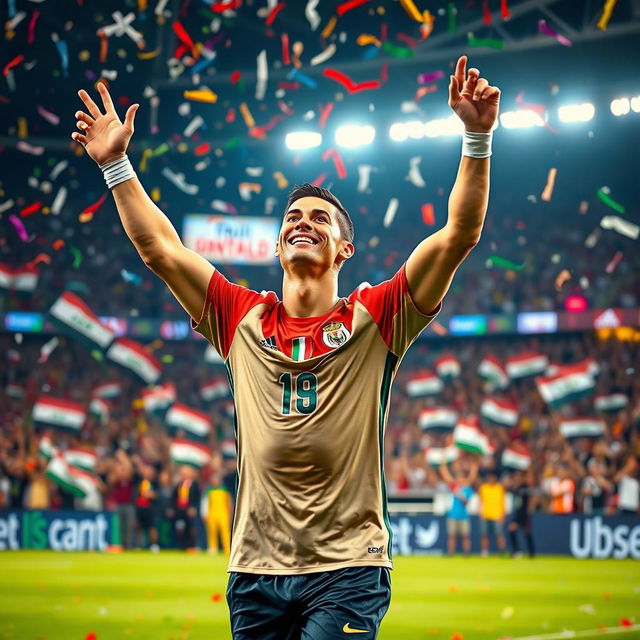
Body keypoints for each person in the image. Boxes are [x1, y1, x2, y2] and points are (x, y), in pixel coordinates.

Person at [70, 54, 500, 639]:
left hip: (348, 567)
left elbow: (459, 236)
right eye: (293, 217)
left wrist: (477, 138)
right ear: (277, 246)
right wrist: (117, 164)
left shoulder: (378, 316)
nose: (303, 222)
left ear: (344, 249)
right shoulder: (240, 316)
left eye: (320, 218)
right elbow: (161, 250)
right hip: (254, 567)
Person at [440, 459, 477, 555]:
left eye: (461, 478)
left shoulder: (468, 489)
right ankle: (451, 552)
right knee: (452, 536)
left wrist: (473, 467)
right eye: (458, 478)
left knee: (465, 536)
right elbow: (446, 476)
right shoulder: (454, 486)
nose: (459, 479)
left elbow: (466, 502)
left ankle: (466, 553)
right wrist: (443, 466)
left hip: (463, 516)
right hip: (453, 515)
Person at [168, 465, 201, 551]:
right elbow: (174, 497)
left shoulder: (195, 485)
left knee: (191, 528)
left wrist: (193, 507)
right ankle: (181, 546)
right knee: (179, 528)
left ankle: (192, 546)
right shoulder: (179, 484)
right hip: (179, 510)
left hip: (189, 510)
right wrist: (172, 508)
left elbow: (197, 498)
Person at [202, 468, 233, 555]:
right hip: (212, 513)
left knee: (225, 532)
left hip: (223, 513)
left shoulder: (225, 490)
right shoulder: (209, 490)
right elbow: (205, 503)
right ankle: (213, 548)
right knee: (212, 532)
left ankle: (227, 549)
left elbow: (229, 502)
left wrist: (230, 513)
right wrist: (205, 514)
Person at [507, 469, 536, 558]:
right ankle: (517, 551)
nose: (516, 479)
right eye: (515, 477)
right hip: (518, 513)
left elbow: (532, 497)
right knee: (512, 529)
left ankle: (531, 553)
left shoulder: (526, 487)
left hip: (525, 514)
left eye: (518, 477)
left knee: (527, 533)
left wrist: (530, 509)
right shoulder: (517, 488)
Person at [478, 469, 507, 556]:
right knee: (484, 535)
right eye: (489, 478)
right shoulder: (483, 487)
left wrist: (503, 515)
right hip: (485, 515)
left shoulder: (500, 488)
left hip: (497, 515)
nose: (490, 479)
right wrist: (480, 512)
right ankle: (484, 551)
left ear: (495, 478)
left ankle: (502, 551)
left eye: (492, 478)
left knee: (499, 534)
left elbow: (503, 502)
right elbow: (480, 501)